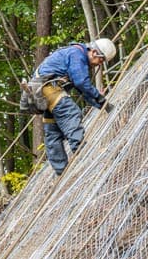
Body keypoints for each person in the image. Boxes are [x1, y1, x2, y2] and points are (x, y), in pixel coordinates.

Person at [25, 38, 116, 175]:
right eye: (101, 60)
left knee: (53, 130)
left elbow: (83, 90)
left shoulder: (73, 55)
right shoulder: (77, 54)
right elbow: (82, 83)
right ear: (94, 52)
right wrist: (101, 99)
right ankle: (81, 151)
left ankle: (61, 170)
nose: (99, 64)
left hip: (39, 91)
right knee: (71, 113)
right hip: (48, 88)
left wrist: (102, 105)